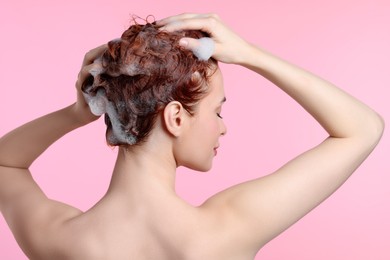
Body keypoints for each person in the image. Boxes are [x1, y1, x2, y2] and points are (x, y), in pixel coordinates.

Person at [0, 13, 384, 259]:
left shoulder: (61, 241)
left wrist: (79, 112)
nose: (223, 126)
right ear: (176, 118)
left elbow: (5, 164)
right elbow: (362, 129)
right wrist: (252, 55)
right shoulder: (227, 230)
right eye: (218, 110)